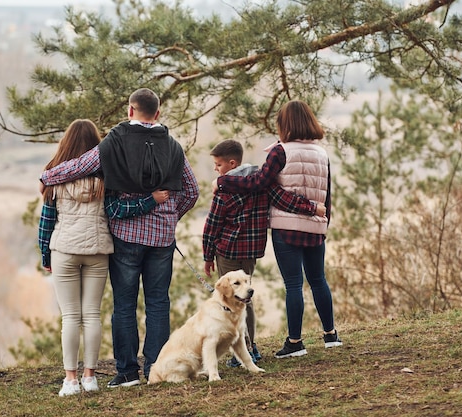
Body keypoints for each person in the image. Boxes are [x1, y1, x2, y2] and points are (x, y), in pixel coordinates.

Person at [39, 88, 199, 387]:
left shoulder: (116, 141)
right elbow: (192, 191)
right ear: (158, 113)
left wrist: (47, 177)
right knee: (158, 302)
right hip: (162, 239)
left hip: (126, 235)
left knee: (124, 304)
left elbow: (80, 166)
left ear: (130, 111)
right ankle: (156, 367)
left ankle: (126, 372)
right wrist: (170, 218)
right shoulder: (174, 147)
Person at [216, 100, 342, 358]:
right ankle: (331, 335)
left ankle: (295, 342)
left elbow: (261, 184)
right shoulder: (322, 153)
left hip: (287, 227)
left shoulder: (280, 152)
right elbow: (327, 194)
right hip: (316, 226)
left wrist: (225, 182)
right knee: (318, 279)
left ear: (284, 124)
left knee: (293, 284)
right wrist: (323, 221)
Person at [203, 139, 325, 367]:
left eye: (218, 165)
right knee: (245, 298)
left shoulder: (225, 189)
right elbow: (283, 199)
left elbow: (213, 224)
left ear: (231, 163)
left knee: (230, 301)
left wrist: (207, 256)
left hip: (227, 251)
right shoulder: (262, 184)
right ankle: (251, 347)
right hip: (251, 252)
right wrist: (312, 207)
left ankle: (245, 351)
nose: (216, 170)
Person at [38, 119, 113, 396]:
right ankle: (90, 377)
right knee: (92, 314)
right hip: (97, 250)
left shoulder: (54, 178)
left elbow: (46, 222)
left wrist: (46, 254)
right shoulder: (107, 179)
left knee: (70, 316)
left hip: (65, 250)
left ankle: (70, 380)